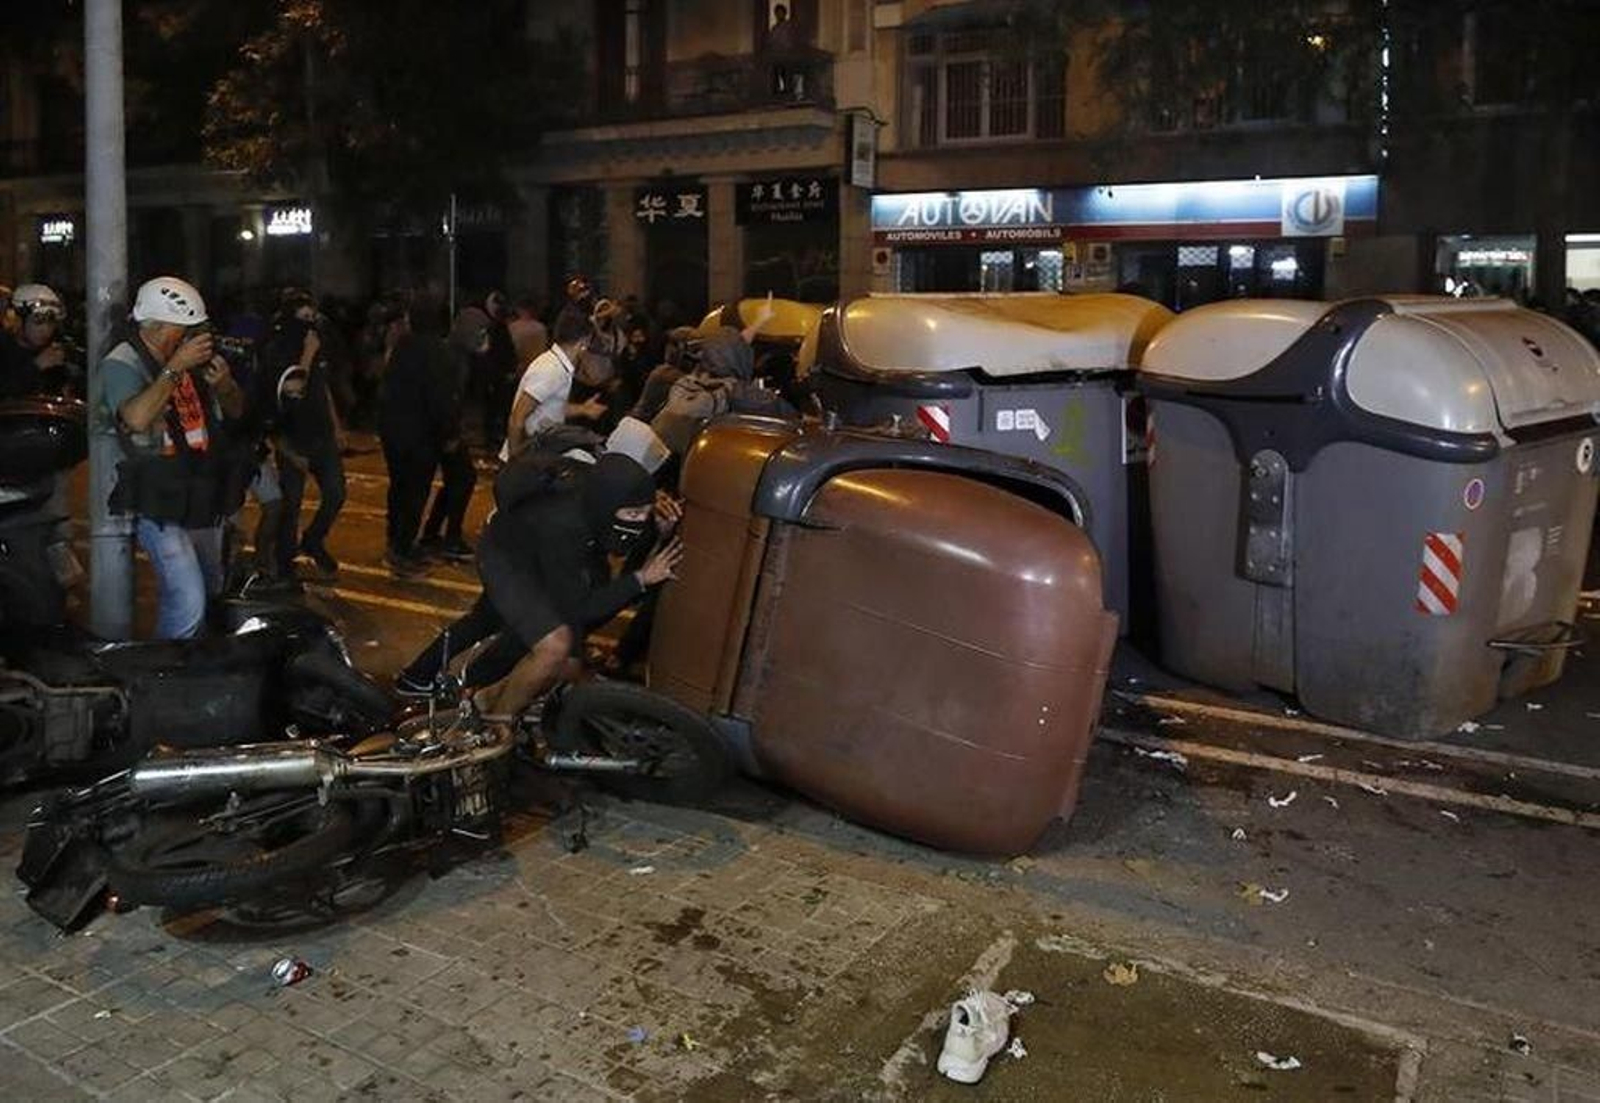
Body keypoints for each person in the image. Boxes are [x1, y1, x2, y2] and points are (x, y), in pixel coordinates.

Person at [100, 276, 246, 639]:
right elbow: (134, 418)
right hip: (158, 499)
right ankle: (168, 677)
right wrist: (175, 367)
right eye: (182, 330)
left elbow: (237, 412)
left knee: (211, 591)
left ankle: (194, 667)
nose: (189, 338)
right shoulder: (124, 360)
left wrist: (225, 385)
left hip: (200, 491)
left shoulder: (190, 360)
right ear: (158, 326)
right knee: (187, 598)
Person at [259, 290, 347, 579]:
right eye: (304, 319)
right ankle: (285, 563)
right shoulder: (278, 353)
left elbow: (321, 388)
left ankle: (313, 540)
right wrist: (288, 452)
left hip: (321, 436)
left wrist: (336, 426)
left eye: (313, 318)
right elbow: (294, 389)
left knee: (335, 494)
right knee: (290, 505)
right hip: (292, 439)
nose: (310, 325)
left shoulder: (319, 348)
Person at [377, 297, 452, 576]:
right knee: (414, 492)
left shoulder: (403, 347)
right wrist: (449, 432)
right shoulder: (435, 350)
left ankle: (396, 541)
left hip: (394, 432)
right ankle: (402, 548)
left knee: (399, 488)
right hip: (420, 435)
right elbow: (440, 398)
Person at [418, 307, 486, 561]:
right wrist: (450, 433)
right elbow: (446, 398)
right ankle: (449, 537)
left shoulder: (456, 354)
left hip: (444, 429)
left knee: (458, 480)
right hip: (442, 431)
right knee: (463, 479)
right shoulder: (451, 356)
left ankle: (433, 533)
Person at [500, 311, 607, 462]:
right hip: (527, 458)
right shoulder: (552, 369)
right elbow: (517, 418)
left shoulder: (558, 365)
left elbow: (549, 407)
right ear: (584, 342)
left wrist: (583, 409)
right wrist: (514, 464)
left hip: (537, 454)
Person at [0, 284, 69, 399]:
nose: (46, 329)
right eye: (38, 321)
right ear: (17, 321)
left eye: (51, 322)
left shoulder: (54, 351)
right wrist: (36, 366)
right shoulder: (3, 349)